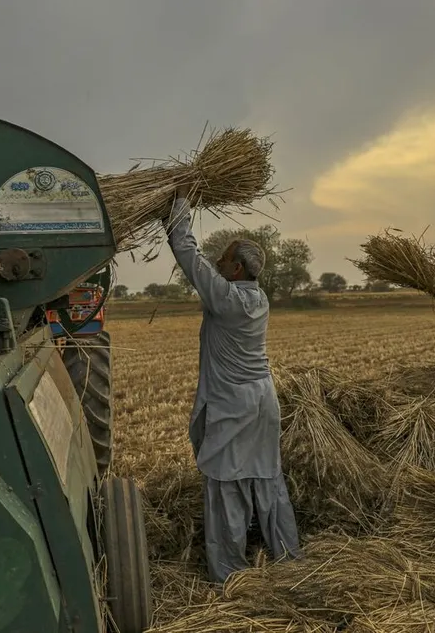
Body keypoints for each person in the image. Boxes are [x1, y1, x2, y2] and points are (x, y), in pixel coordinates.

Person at [162, 187, 301, 583]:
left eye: (222, 259)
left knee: (226, 484)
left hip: (233, 405)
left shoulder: (226, 299)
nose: (216, 263)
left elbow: (187, 253)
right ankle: (289, 559)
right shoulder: (259, 299)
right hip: (262, 399)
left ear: (237, 269)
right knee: (267, 477)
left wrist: (178, 205)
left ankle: (231, 574)